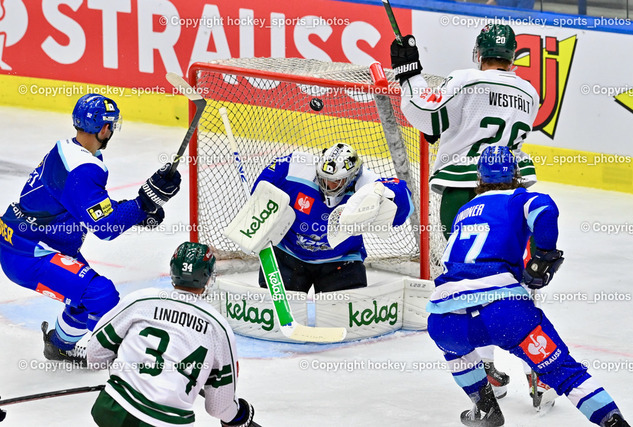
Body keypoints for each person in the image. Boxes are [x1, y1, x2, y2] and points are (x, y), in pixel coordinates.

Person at [425, 146, 630, 427]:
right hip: (504, 313)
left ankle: (484, 406)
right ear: (516, 175)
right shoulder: (517, 199)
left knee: (453, 349)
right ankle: (612, 421)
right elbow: (546, 210)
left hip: (444, 319)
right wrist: (543, 258)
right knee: (565, 372)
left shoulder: (464, 210)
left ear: (479, 179)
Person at [391, 23, 540, 397]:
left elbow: (428, 119)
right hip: (512, 192)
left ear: (479, 53)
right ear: (512, 57)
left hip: (466, 190)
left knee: (470, 279)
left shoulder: (466, 79)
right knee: (512, 275)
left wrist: (408, 73)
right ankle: (536, 361)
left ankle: (486, 365)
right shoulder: (529, 92)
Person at [0, 93, 181, 364]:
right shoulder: (83, 168)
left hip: (31, 240)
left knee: (84, 297)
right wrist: (145, 201)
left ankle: (59, 346)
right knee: (100, 294)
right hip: (28, 251)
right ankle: (123, 362)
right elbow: (105, 227)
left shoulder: (70, 151)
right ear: (105, 128)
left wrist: (137, 213)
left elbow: (85, 207)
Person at [87, 241, 261, 427]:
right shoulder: (218, 328)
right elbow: (219, 407)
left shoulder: (141, 300)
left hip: (113, 410)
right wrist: (239, 415)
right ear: (209, 277)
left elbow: (95, 356)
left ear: (172, 271)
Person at [252, 142, 413, 293]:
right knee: (272, 312)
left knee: (346, 316)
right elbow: (261, 189)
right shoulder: (296, 166)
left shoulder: (367, 184)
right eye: (324, 178)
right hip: (288, 255)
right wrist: (259, 194)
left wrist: (386, 195)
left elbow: (404, 206)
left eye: (335, 182)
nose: (327, 185)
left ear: (351, 177)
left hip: (342, 260)